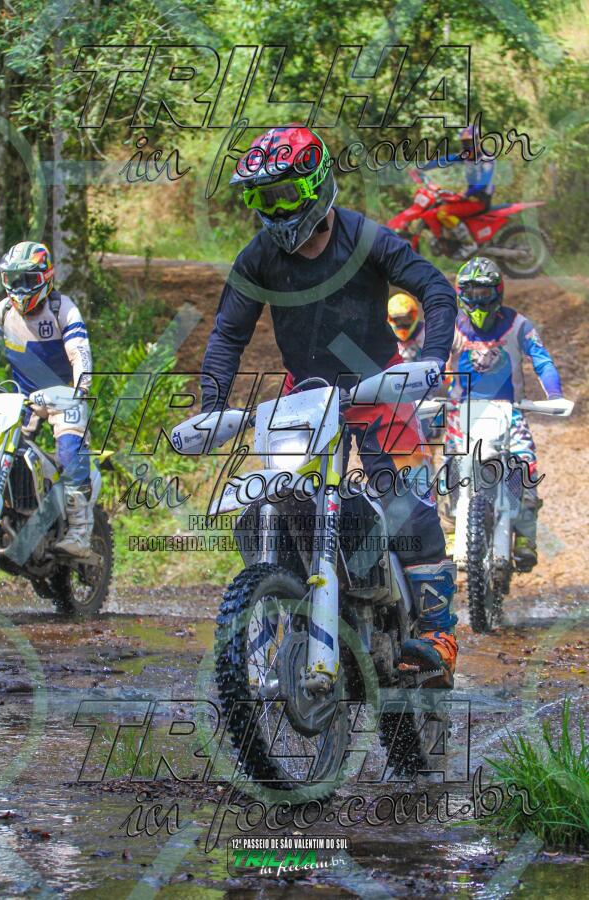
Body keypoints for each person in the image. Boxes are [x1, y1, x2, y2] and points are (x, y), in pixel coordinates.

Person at [201, 125, 460, 687]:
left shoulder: (365, 238)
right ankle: (283, 601)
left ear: (315, 186)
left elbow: (436, 289)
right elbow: (227, 334)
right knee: (280, 497)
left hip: (379, 386)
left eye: (283, 195)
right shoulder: (259, 256)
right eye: (262, 197)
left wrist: (431, 359)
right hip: (309, 396)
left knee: (405, 504)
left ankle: (438, 630)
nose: (273, 210)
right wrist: (211, 406)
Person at [448, 256, 563, 571]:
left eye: (484, 293)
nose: (477, 301)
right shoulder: (451, 326)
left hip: (509, 411)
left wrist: (555, 395)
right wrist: (423, 390)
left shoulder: (518, 325)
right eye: (471, 293)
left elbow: (541, 359)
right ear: (460, 293)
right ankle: (451, 528)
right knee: (450, 466)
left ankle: (525, 534)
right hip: (462, 412)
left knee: (524, 463)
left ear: (497, 292)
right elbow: (433, 360)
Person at [0, 241, 94, 556]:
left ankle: (80, 530)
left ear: (46, 277)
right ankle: (18, 514)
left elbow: (79, 353)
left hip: (64, 395)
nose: (20, 289)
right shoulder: (2, 312)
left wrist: (81, 389)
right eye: (13, 280)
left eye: (28, 280)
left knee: (70, 448)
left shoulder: (63, 309)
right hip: (22, 400)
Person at [422, 124, 496, 260]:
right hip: (470, 197)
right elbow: (446, 160)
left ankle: (469, 245)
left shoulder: (487, 158)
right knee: (440, 205)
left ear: (477, 141)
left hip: (480, 200)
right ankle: (449, 241)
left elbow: (483, 182)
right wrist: (424, 167)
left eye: (469, 142)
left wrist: (466, 194)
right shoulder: (466, 156)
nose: (467, 146)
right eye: (464, 143)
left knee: (443, 213)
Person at [387, 292, 425, 361]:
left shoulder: (425, 333)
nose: (402, 323)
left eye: (406, 319)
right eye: (397, 319)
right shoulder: (386, 336)